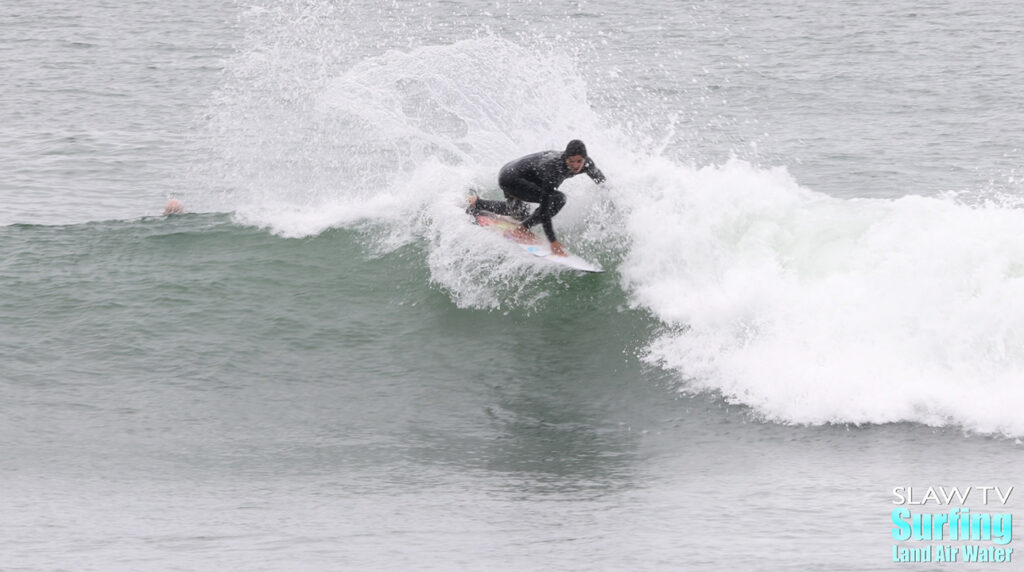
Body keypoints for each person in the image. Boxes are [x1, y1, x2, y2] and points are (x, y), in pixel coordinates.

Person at [469, 139, 605, 256]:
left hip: (517, 173)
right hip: (511, 178)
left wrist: (610, 195)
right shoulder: (554, 169)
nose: (575, 166)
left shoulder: (587, 164)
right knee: (558, 199)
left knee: (520, 213)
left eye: (579, 161)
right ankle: (521, 230)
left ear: (585, 159)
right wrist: (552, 241)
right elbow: (546, 207)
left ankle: (478, 203)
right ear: (565, 157)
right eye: (571, 161)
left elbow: (601, 181)